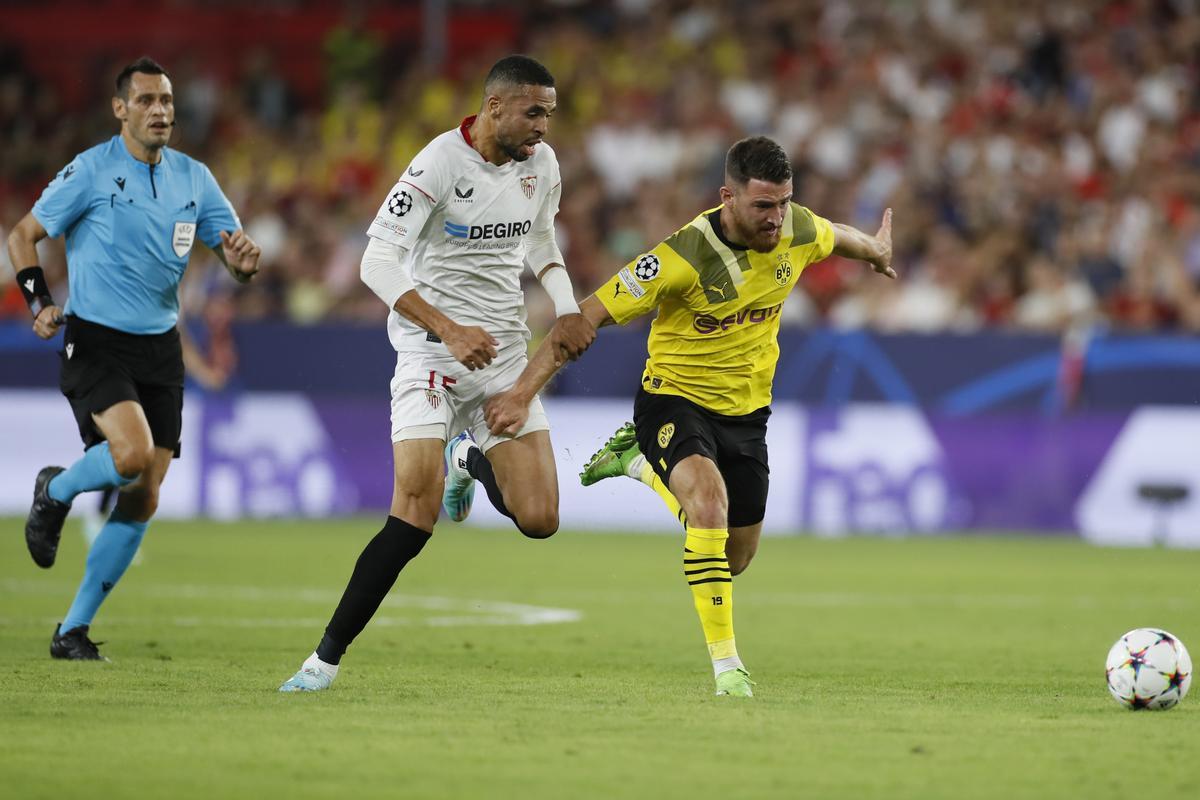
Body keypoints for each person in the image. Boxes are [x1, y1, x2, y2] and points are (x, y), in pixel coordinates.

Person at [483, 136, 896, 697]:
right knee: (706, 505)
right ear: (728, 196)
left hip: (747, 413)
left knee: (734, 557)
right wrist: (519, 396)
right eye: (763, 207)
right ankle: (729, 668)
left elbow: (835, 236)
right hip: (672, 401)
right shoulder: (679, 258)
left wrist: (874, 249)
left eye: (783, 202)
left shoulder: (795, 227)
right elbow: (579, 323)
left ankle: (635, 462)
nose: (777, 219)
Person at [278, 54, 594, 692]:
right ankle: (323, 662)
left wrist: (566, 308)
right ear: (494, 107)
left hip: (505, 354)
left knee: (539, 519)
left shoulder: (543, 164)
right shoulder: (437, 164)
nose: (544, 127)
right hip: (432, 354)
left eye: (550, 114)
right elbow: (376, 262)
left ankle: (469, 461)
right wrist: (447, 328)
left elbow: (539, 241)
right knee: (413, 511)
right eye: (534, 112)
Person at [7, 57, 261, 660]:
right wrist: (38, 300)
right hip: (94, 338)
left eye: (167, 101)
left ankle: (72, 630)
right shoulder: (91, 172)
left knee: (144, 494)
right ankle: (58, 489)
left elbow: (232, 253)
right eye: (146, 100)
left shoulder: (195, 180)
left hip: (160, 349)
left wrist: (243, 267)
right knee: (130, 454)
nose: (160, 111)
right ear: (120, 109)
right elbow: (22, 235)